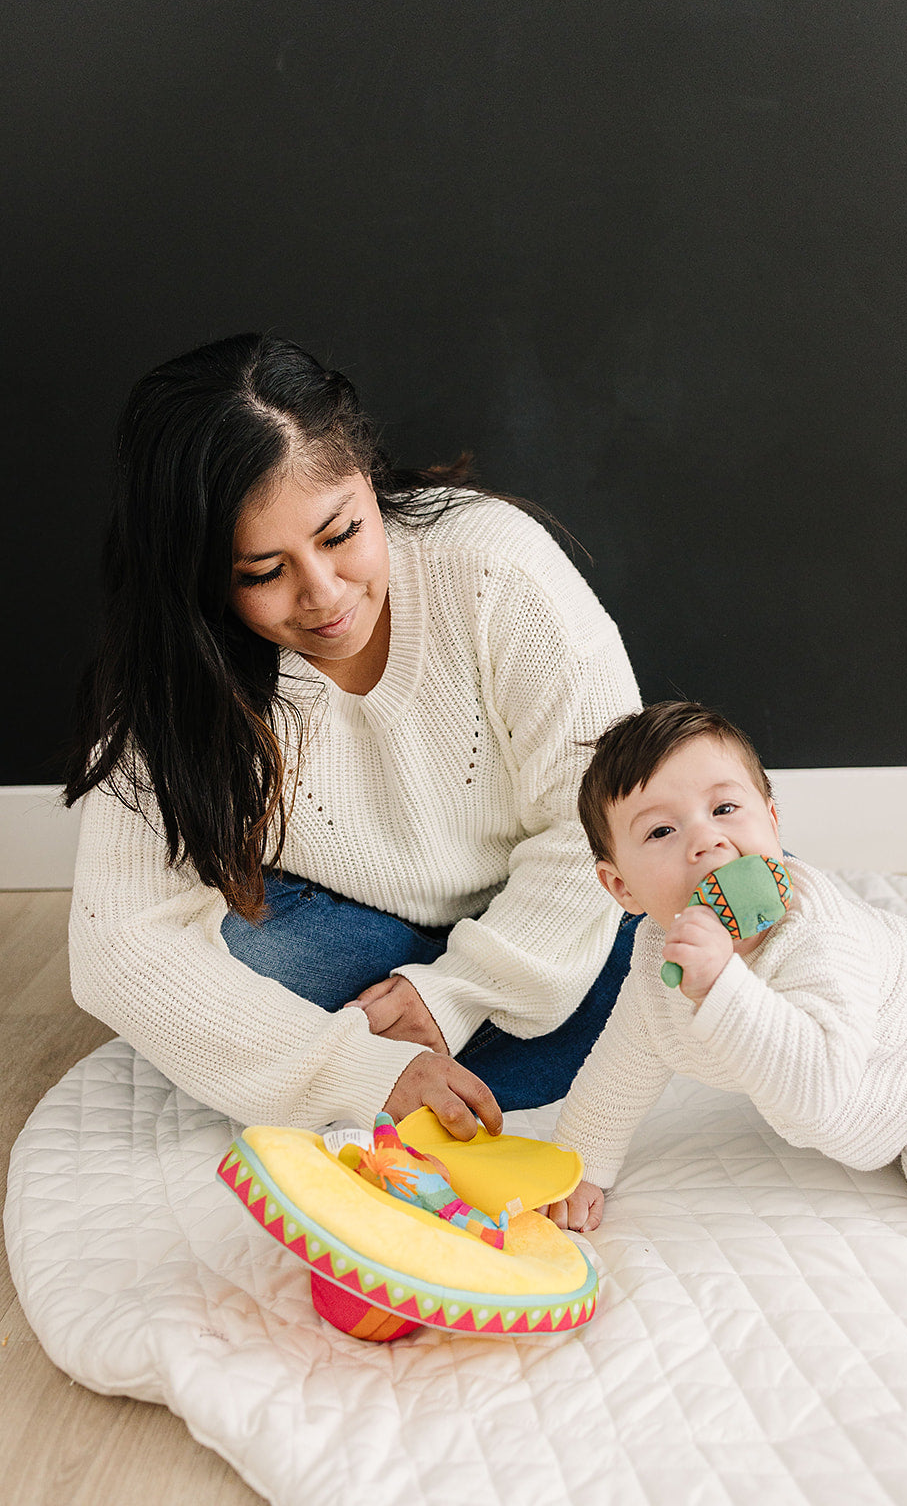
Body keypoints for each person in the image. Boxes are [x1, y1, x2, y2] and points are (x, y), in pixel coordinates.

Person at [65, 334, 641, 1139]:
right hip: (350, 935)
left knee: (702, 900)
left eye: (340, 535)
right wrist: (366, 1068)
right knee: (242, 959)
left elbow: (604, 823)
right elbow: (120, 945)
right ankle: (526, 1062)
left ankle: (472, 1057)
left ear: (368, 481)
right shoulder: (174, 674)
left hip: (531, 908)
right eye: (262, 573)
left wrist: (456, 995)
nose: (325, 594)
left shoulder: (492, 569)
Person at [549, 701, 907, 1230]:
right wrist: (581, 1166)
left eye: (724, 809)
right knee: (885, 1133)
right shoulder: (661, 953)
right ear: (622, 887)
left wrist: (720, 986)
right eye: (662, 831)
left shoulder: (816, 937)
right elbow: (625, 1061)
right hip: (900, 1053)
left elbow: (819, 1093)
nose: (707, 840)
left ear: (772, 822)